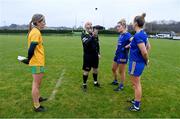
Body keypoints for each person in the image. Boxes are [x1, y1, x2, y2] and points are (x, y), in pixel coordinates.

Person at [23, 14, 47, 112]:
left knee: (38, 83)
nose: (44, 23)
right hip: (37, 62)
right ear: (37, 22)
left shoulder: (36, 31)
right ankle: (36, 106)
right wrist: (29, 59)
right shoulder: (36, 32)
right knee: (36, 84)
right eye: (43, 21)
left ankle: (38, 97)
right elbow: (32, 47)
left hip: (38, 61)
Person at [128, 13, 151, 111]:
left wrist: (146, 60)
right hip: (138, 62)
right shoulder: (143, 34)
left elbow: (145, 52)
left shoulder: (138, 35)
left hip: (135, 62)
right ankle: (136, 100)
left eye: (133, 22)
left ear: (136, 23)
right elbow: (149, 47)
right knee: (136, 83)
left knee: (136, 84)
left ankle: (136, 106)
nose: (132, 23)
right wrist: (144, 59)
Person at [111, 19, 132, 91]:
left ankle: (121, 85)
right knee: (113, 69)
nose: (117, 28)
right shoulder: (120, 35)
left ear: (123, 26)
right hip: (117, 54)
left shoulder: (128, 35)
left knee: (121, 71)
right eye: (117, 26)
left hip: (123, 55)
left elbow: (133, 42)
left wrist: (126, 47)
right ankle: (115, 81)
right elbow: (118, 43)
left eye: (119, 26)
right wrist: (116, 48)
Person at [81, 21, 101, 92]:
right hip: (87, 56)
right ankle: (84, 84)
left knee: (95, 69)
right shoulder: (83, 34)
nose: (90, 26)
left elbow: (97, 45)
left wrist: (98, 53)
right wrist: (93, 36)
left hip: (95, 55)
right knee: (86, 71)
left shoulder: (94, 34)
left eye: (91, 24)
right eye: (88, 24)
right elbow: (86, 43)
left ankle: (95, 82)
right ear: (85, 26)